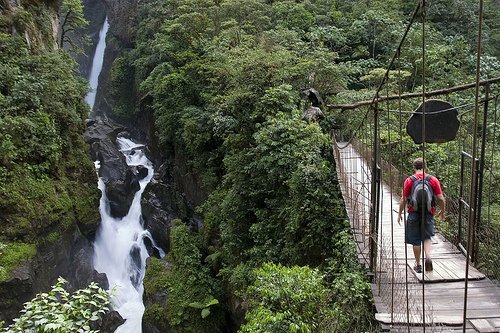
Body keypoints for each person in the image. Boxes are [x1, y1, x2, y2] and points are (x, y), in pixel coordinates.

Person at [397, 158, 446, 273]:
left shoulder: (409, 180)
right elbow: (440, 198)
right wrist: (442, 211)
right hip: (428, 213)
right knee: (426, 237)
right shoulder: (433, 180)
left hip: (413, 213)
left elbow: (403, 199)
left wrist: (400, 213)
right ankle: (428, 257)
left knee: (415, 240)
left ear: (414, 167)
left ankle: (418, 265)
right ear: (426, 167)